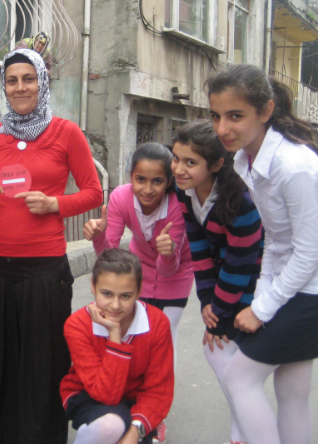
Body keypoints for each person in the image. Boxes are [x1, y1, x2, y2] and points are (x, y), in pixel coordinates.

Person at [206, 64, 318, 444]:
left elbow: (309, 252)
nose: (222, 129)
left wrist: (262, 308)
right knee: (291, 389)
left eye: (235, 116)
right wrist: (264, 292)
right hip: (300, 280)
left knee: (240, 379)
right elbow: (275, 239)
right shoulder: (246, 159)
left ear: (266, 111)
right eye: (216, 116)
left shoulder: (293, 166)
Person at [0, 48, 103, 444]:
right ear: (3, 87)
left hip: (43, 268)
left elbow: (94, 192)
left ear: (42, 84)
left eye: (28, 79)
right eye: (12, 80)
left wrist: (55, 204)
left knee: (42, 364)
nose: (20, 87)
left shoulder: (66, 132)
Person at [83, 142, 193, 442]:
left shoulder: (178, 207)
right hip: (137, 278)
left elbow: (170, 268)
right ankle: (125, 402)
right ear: (130, 177)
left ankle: (155, 416)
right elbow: (110, 259)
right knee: (131, 340)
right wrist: (99, 235)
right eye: (140, 179)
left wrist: (168, 254)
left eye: (157, 181)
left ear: (168, 182)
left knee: (161, 343)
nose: (148, 188)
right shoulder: (119, 198)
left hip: (175, 279)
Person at [171, 121, 263, 444]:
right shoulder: (186, 192)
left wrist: (220, 310)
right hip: (226, 281)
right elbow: (197, 247)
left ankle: (247, 433)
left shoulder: (239, 202)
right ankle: (243, 432)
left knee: (228, 357)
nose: (179, 169)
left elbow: (244, 260)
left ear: (217, 165)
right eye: (176, 158)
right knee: (223, 356)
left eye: (190, 162)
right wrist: (207, 299)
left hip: (254, 285)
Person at [60, 248, 174, 444]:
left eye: (125, 296)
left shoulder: (157, 322)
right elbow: (106, 394)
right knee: (110, 427)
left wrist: (133, 433)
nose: (114, 305)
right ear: (93, 287)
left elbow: (158, 390)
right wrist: (115, 335)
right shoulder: (78, 324)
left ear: (138, 292)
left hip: (135, 400)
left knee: (127, 432)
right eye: (107, 294)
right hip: (89, 394)